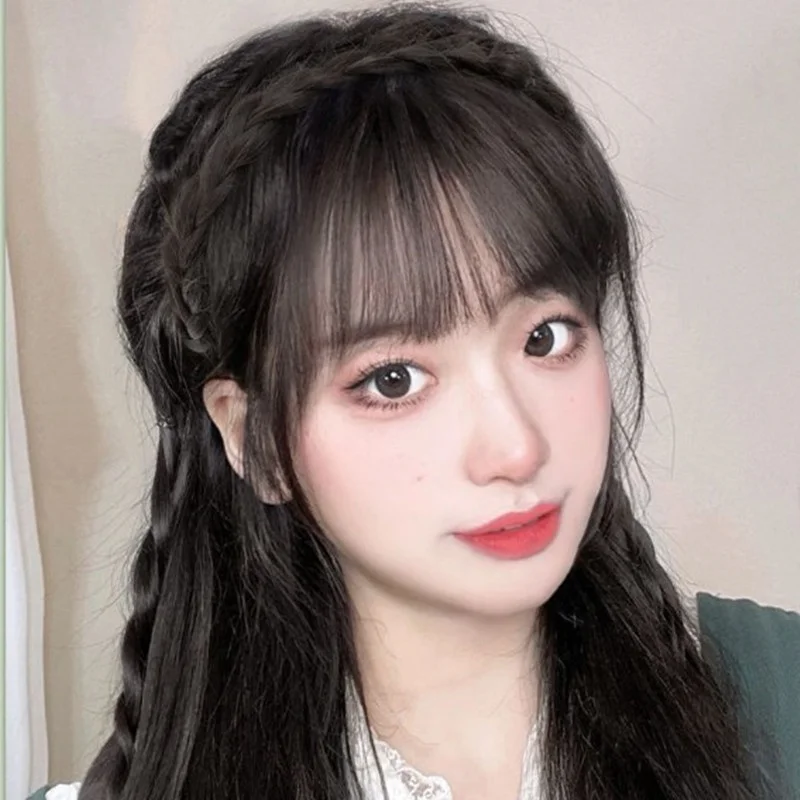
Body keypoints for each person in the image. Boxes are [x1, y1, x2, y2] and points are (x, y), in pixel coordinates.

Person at [29, 3, 799, 799]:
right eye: (393, 380)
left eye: (545, 338)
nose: (516, 447)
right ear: (252, 435)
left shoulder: (782, 696)